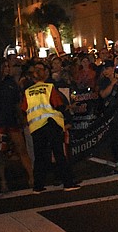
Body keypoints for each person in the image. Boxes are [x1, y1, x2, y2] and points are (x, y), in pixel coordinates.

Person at [20, 62, 80, 193]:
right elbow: (58, 104)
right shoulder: (49, 87)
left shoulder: (28, 91)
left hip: (36, 127)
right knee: (59, 154)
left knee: (39, 157)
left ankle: (38, 185)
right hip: (52, 124)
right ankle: (68, 183)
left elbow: (24, 109)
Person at [0, 57, 34, 192]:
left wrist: (21, 117)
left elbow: (17, 103)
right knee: (1, 153)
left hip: (11, 120)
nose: (7, 69)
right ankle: (3, 180)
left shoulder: (11, 83)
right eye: (5, 67)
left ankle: (32, 176)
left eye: (8, 66)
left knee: (21, 147)